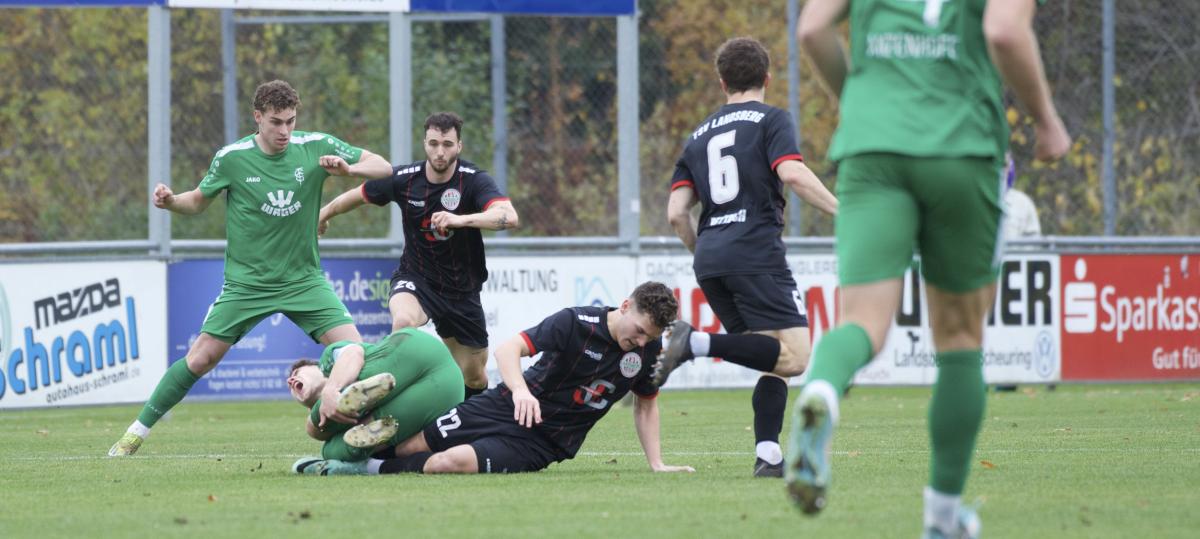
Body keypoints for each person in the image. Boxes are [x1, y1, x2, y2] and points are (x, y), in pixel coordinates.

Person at [789, 1, 1070, 537]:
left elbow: (812, 29)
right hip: (961, 148)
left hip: (873, 150)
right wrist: (1046, 121)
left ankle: (822, 392)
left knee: (862, 325)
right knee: (961, 340)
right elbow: (1006, 32)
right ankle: (942, 519)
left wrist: (863, 101)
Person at [107, 80, 394, 457]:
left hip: (303, 281)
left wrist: (347, 169)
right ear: (257, 117)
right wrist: (171, 201)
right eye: (276, 122)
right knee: (200, 358)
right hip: (248, 284)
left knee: (359, 354)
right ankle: (134, 434)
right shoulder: (232, 157)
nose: (285, 131)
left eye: (291, 121)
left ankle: (374, 439)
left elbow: (384, 167)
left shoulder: (315, 146)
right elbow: (197, 201)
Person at [660, 37, 838, 478]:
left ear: (722, 82)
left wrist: (704, 253)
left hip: (712, 258)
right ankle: (696, 342)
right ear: (768, 77)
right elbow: (792, 173)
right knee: (795, 357)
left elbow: (676, 214)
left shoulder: (697, 137)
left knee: (771, 358)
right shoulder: (771, 119)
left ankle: (769, 456)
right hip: (755, 251)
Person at [291, 281, 695, 476]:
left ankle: (360, 471)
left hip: (547, 443)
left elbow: (646, 405)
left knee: (445, 464)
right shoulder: (576, 322)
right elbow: (507, 350)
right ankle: (346, 448)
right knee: (412, 442)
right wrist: (520, 391)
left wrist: (657, 463)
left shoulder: (646, 352)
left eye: (649, 337)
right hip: (504, 406)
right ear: (625, 306)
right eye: (638, 330)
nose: (639, 342)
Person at [319, 112, 518, 400]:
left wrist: (459, 220)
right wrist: (324, 214)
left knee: (474, 374)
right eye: (434, 143)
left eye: (448, 144)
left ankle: (466, 420)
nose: (440, 151)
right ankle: (384, 396)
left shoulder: (473, 181)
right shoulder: (404, 179)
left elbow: (508, 217)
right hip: (416, 278)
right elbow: (358, 195)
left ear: (459, 146)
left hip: (461, 290)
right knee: (403, 322)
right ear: (424, 143)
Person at [287, 328, 465, 462]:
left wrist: (331, 388)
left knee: (315, 425)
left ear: (316, 367)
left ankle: (346, 399)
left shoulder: (329, 358)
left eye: (297, 373)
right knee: (333, 449)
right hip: (449, 394)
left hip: (412, 351)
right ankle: (358, 428)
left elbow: (353, 353)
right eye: (290, 383)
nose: (291, 380)